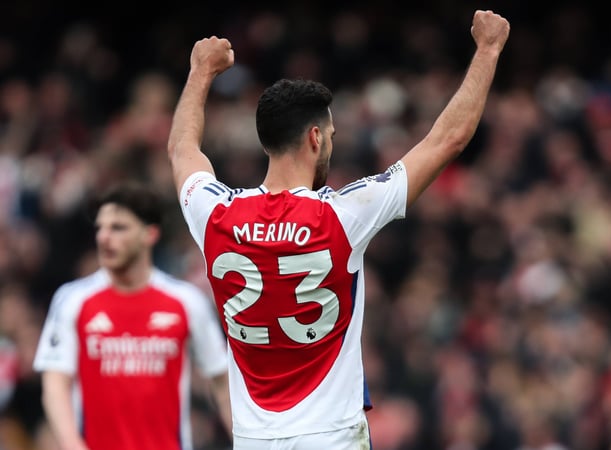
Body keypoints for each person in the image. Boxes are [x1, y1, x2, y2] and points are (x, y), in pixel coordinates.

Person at [166, 9, 509, 450]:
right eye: (330, 134)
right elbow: (448, 139)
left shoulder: (215, 213)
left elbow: (181, 149)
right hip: (332, 436)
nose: (331, 142)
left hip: (253, 438)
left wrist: (200, 71)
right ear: (314, 138)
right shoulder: (344, 215)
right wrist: (488, 49)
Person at [32, 182, 232, 450]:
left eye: (118, 228)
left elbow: (222, 382)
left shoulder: (187, 302)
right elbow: (55, 384)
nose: (104, 237)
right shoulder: (72, 300)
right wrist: (72, 444)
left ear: (149, 234)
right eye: (100, 228)